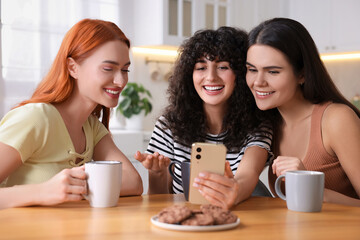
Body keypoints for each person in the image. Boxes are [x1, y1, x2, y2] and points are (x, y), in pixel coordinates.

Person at [0, 19, 143, 209]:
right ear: (73, 67)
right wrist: (42, 191)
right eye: (108, 68)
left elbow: (133, 182)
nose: (120, 81)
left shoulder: (91, 127)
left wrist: (77, 187)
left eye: (125, 70)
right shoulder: (35, 118)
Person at [135, 27, 272, 209]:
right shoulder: (169, 126)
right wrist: (157, 174)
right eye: (201, 67)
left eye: (223, 67)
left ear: (240, 74)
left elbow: (249, 173)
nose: (211, 77)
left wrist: (233, 189)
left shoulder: (257, 126)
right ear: (189, 74)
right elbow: (159, 201)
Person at [246, 17, 360, 206]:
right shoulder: (266, 126)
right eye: (251, 69)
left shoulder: (336, 120)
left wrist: (311, 187)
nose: (258, 82)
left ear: (302, 74)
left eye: (273, 72)